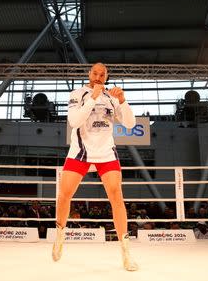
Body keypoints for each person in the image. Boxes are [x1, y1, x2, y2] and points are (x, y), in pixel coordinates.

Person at [52, 62, 138, 271]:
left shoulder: (111, 97)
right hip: (80, 152)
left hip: (106, 152)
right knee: (64, 195)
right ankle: (60, 235)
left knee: (117, 196)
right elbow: (74, 121)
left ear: (106, 77)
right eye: (96, 73)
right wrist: (92, 97)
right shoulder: (78, 93)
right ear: (89, 74)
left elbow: (130, 124)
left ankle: (126, 252)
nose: (99, 76)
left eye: (103, 74)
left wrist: (123, 101)